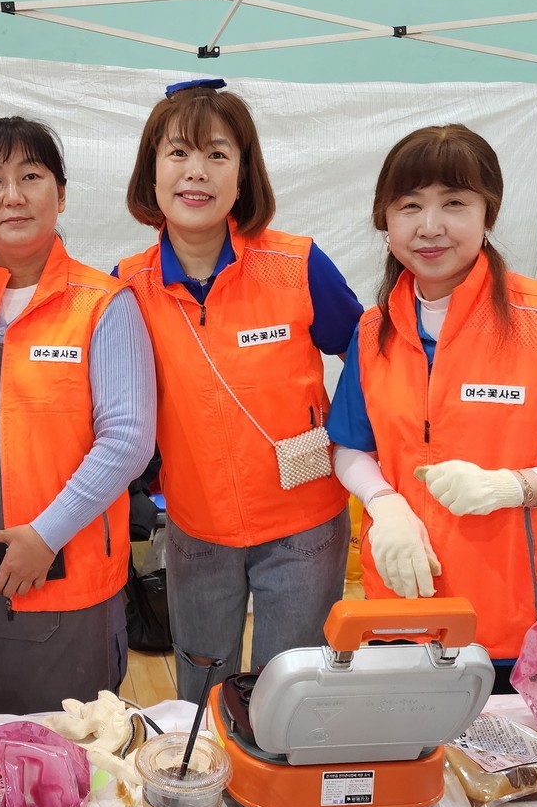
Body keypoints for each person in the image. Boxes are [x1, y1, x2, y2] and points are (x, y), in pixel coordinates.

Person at [327, 123, 537, 692]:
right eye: (409, 205)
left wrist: (512, 487)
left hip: (512, 622)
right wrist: (383, 501)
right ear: (385, 221)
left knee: (507, 777)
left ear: (488, 215)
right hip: (400, 606)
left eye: (455, 203)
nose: (431, 226)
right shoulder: (374, 331)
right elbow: (350, 445)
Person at [117, 80, 363, 703]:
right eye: (177, 153)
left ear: (244, 173)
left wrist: (366, 463)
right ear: (150, 170)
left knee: (293, 688)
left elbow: (369, 358)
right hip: (196, 527)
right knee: (203, 686)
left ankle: (276, 797)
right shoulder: (127, 286)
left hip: (306, 525)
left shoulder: (299, 264)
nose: (195, 172)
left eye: (218, 154)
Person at [0, 116, 156, 714]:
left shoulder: (104, 303)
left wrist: (45, 536)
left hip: (62, 576)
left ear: (62, 193)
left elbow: (127, 441)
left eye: (31, 176)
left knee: (66, 758)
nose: (13, 195)